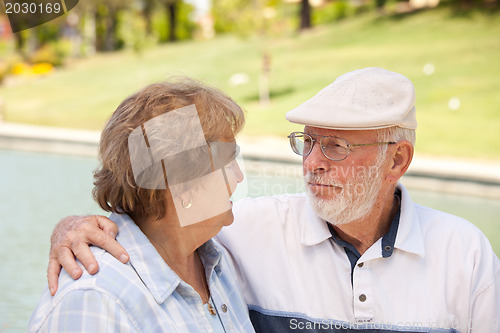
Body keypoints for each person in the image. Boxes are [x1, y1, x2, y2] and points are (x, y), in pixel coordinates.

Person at [46, 68, 500, 332]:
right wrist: (74, 227)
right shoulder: (238, 234)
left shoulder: (466, 255)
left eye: (336, 147)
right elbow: (145, 201)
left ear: (397, 160)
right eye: (308, 142)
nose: (312, 163)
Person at [29, 78, 256, 332]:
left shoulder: (216, 262)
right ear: (182, 186)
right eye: (228, 161)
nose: (239, 176)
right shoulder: (94, 300)